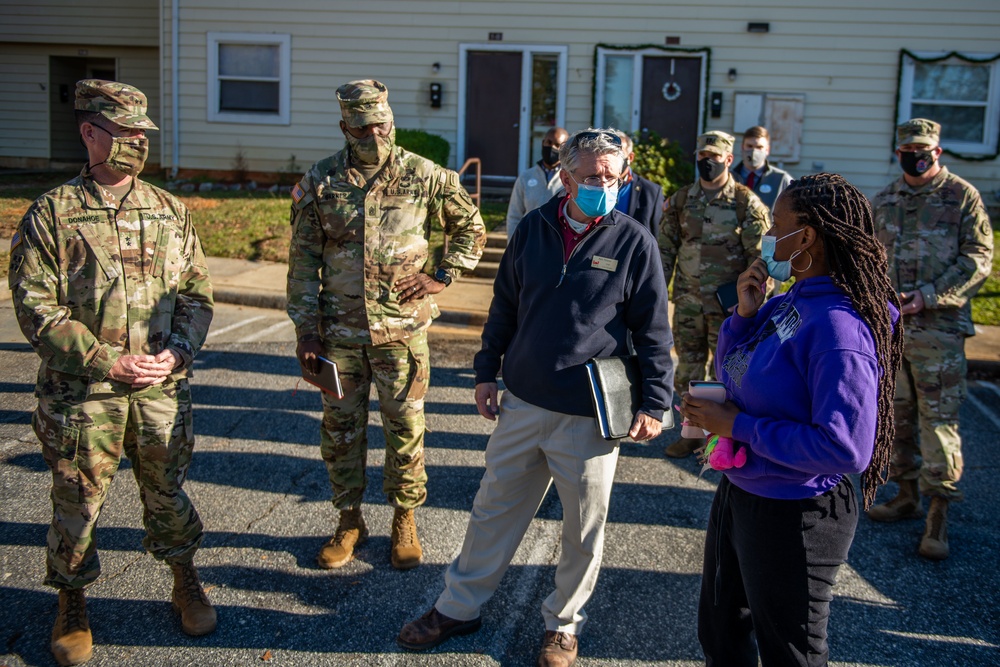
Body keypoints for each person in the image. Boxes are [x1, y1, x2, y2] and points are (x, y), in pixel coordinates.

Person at [396, 129, 674, 666]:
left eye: (613, 178)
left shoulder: (634, 241)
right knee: (492, 511)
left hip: (590, 414)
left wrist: (655, 402)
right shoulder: (532, 229)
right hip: (523, 403)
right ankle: (458, 607)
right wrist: (485, 371)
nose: (604, 186)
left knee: (583, 530)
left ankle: (563, 626)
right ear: (565, 177)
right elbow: (504, 307)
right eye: (592, 177)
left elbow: (653, 330)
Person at [8, 79, 216, 666]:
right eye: (123, 133)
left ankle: (184, 580)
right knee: (77, 499)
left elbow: (197, 294)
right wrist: (106, 359)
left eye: (141, 135)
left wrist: (178, 352)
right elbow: (35, 307)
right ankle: (71, 602)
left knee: (166, 492)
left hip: (159, 389)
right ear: (89, 133)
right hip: (84, 392)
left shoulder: (171, 211)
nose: (135, 145)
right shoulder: (52, 212)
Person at [681, 172, 903, 667]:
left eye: (774, 224)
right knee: (721, 634)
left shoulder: (838, 329)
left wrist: (736, 426)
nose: (766, 235)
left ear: (804, 237)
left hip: (796, 512)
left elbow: (846, 448)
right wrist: (742, 316)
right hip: (743, 491)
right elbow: (737, 369)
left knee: (790, 655)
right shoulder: (789, 304)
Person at [286, 79, 486, 572]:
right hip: (340, 337)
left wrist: (440, 275)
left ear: (392, 122)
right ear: (344, 127)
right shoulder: (321, 181)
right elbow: (303, 259)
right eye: (362, 127)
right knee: (340, 432)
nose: (374, 135)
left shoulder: (424, 175)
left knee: (406, 429)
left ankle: (405, 517)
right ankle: (349, 520)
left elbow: (471, 227)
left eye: (382, 125)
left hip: (402, 334)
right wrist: (306, 331)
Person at [869, 118, 994, 560]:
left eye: (922, 149)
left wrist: (928, 296)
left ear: (937, 152)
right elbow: (867, 259)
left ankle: (938, 513)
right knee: (896, 415)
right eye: (907, 148)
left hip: (938, 331)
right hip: (892, 329)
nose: (914, 155)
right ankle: (905, 495)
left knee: (938, 423)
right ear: (897, 151)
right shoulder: (884, 200)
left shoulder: (961, 196)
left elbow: (978, 258)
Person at [659, 130, 769, 459]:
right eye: (702, 156)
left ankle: (721, 439)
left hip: (730, 310)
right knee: (689, 370)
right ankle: (691, 434)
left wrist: (752, 300)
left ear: (729, 160)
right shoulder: (681, 200)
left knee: (726, 374)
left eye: (714, 157)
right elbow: (665, 250)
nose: (707, 162)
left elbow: (761, 258)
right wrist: (656, 293)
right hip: (689, 303)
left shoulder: (744, 203)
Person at [505, 126, 569, 238]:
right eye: (548, 142)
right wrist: (513, 247)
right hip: (529, 240)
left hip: (557, 243)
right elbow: (514, 216)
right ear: (543, 142)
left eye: (557, 145)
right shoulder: (525, 177)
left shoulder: (569, 180)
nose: (552, 147)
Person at [613, 129, 665, 239]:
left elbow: (656, 237)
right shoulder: (594, 186)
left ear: (630, 157)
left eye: (619, 153)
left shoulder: (651, 192)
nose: (614, 159)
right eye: (610, 153)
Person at [730, 125, 793, 211]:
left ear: (767, 150)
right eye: (749, 146)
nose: (754, 151)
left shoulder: (781, 179)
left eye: (759, 147)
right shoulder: (729, 177)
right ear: (742, 147)